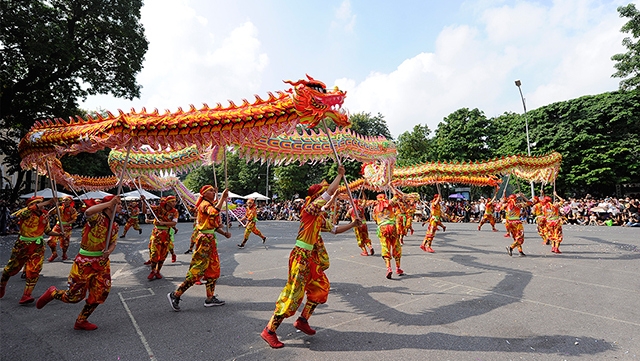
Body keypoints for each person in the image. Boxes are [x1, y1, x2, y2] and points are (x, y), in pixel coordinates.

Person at [261, 165, 359, 349]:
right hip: (300, 257)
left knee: (321, 288)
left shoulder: (319, 216)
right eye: (322, 195)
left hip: (311, 257)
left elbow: (335, 230)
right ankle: (269, 330)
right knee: (293, 295)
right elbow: (329, 193)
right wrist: (339, 176)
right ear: (316, 198)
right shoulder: (309, 211)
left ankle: (303, 320)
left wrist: (353, 224)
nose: (325, 197)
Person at [35, 195, 122, 330]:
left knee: (100, 293)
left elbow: (113, 243)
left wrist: (109, 251)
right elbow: (88, 212)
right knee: (74, 297)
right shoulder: (96, 218)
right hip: (84, 263)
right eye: (119, 204)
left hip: (102, 263)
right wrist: (110, 202)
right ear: (110, 206)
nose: (121, 206)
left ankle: (81, 320)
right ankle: (53, 293)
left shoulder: (115, 225)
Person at [167, 186, 231, 311]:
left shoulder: (210, 204)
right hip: (204, 240)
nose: (213, 192)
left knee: (213, 270)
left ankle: (210, 298)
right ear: (204, 194)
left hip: (210, 240)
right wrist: (223, 198)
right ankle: (175, 294)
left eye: (214, 191)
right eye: (211, 191)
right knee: (197, 270)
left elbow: (213, 225)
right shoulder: (204, 204)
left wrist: (224, 233)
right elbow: (214, 212)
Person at [0, 196, 63, 304]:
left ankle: (26, 295)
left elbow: (47, 231)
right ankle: (2, 285)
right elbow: (29, 210)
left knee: (34, 270)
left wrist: (59, 234)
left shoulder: (44, 216)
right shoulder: (25, 213)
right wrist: (48, 202)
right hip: (22, 245)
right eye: (37, 203)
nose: (40, 205)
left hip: (37, 246)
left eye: (40, 203)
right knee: (10, 269)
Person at [145, 196, 179, 280]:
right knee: (154, 254)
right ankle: (153, 271)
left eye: (175, 201)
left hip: (166, 235)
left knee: (163, 255)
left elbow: (174, 223)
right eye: (172, 201)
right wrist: (143, 202)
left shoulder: (175, 212)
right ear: (167, 202)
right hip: (156, 234)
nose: (174, 203)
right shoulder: (158, 209)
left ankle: (158, 271)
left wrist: (163, 223)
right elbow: (145, 211)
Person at [373, 190, 405, 278]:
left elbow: (375, 220)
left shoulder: (375, 208)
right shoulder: (389, 203)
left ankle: (389, 268)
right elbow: (396, 195)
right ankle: (398, 268)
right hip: (392, 227)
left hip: (382, 228)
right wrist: (391, 186)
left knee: (385, 247)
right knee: (396, 246)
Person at [47, 196, 78, 261]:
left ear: (70, 201)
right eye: (63, 200)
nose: (64, 201)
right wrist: (56, 206)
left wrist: (66, 224)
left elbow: (74, 219)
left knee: (65, 243)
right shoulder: (59, 208)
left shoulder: (72, 210)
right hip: (57, 227)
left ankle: (64, 254)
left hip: (67, 228)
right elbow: (49, 213)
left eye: (66, 200)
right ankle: (54, 253)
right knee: (50, 241)